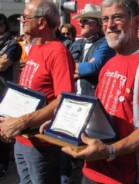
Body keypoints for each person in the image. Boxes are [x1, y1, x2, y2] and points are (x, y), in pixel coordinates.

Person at [56, 0, 139, 183]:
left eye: (117, 17)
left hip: (123, 176)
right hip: (91, 168)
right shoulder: (109, 63)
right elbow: (96, 114)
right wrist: (59, 125)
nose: (109, 25)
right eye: (105, 19)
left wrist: (110, 151)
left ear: (136, 21)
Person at [0, 1, 75, 184]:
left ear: (41, 23)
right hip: (22, 139)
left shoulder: (58, 52)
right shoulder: (34, 47)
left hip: (42, 144)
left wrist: (23, 121)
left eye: (26, 17)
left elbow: (64, 99)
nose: (22, 20)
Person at [70, 3, 115, 96]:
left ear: (98, 24)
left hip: (92, 98)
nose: (81, 24)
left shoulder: (106, 43)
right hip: (71, 95)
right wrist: (83, 70)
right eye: (80, 21)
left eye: (85, 20)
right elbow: (62, 69)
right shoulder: (76, 44)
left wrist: (70, 67)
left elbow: (92, 67)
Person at [0, 13, 22, 179]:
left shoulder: (13, 45)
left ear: (3, 26)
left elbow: (2, 65)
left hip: (4, 95)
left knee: (2, 133)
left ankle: (3, 167)